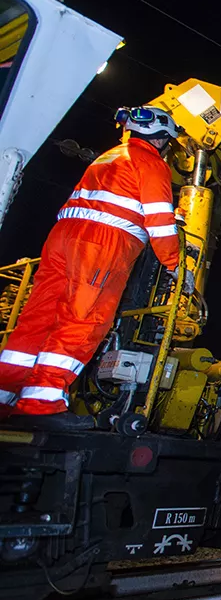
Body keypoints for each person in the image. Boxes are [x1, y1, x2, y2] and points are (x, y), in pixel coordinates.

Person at [0, 106, 184, 429]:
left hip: (61, 239)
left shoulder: (110, 157)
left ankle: (5, 397)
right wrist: (174, 265)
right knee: (81, 320)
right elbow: (160, 222)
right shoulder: (151, 163)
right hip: (101, 245)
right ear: (160, 139)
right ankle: (41, 404)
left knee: (36, 320)